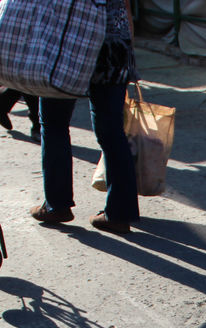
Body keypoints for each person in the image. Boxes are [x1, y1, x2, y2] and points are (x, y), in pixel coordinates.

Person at [30, 0, 138, 235]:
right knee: (111, 131)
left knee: (53, 122)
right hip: (113, 44)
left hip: (67, 43)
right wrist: (129, 51)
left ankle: (56, 205)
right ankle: (119, 213)